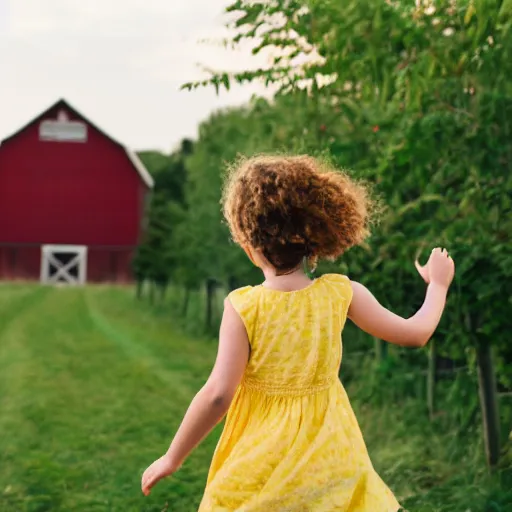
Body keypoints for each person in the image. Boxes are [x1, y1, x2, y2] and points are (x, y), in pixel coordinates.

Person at [141, 155, 455, 511]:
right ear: (313, 235)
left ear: (249, 244)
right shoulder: (342, 293)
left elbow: (217, 395)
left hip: (262, 464)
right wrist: (439, 284)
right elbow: (416, 333)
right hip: (331, 460)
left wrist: (172, 458)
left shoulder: (243, 307)